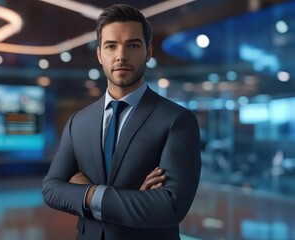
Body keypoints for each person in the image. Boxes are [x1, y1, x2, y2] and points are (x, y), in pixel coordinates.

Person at [42, 4, 201, 240]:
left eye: (133, 45)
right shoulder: (79, 122)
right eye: (111, 46)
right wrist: (135, 199)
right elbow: (52, 189)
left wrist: (90, 193)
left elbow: (170, 207)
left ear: (148, 52)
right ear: (99, 55)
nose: (121, 55)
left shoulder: (177, 120)